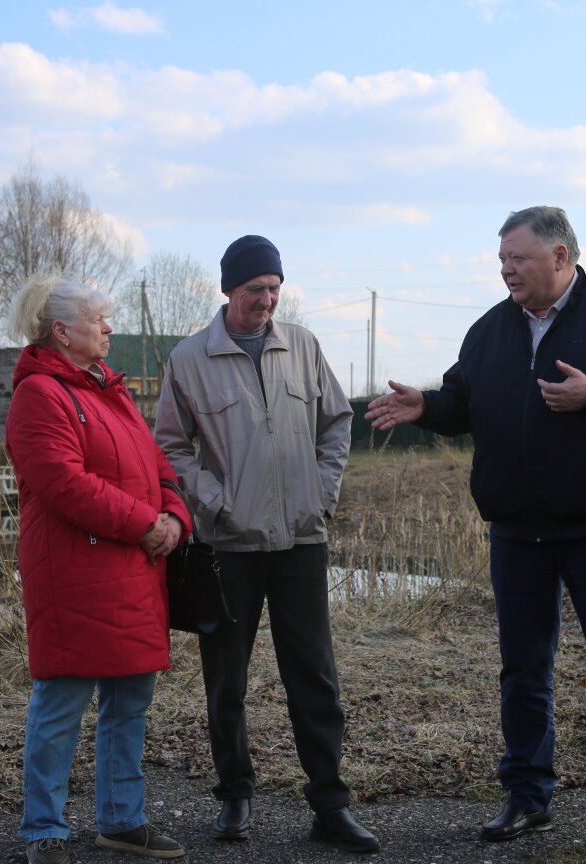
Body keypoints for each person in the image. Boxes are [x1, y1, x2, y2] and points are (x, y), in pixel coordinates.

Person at [366, 206, 586, 855]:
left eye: (518, 258)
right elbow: (465, 402)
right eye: (503, 260)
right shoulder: (490, 330)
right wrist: (426, 407)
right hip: (517, 530)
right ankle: (526, 796)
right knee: (523, 670)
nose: (506, 269)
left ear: (561, 258)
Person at [154, 235, 378, 854]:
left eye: (275, 288)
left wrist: (323, 492)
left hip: (302, 540)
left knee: (315, 675)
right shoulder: (189, 359)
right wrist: (214, 502)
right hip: (228, 546)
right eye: (256, 289)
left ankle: (331, 804)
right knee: (226, 678)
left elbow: (336, 422)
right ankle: (234, 798)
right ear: (229, 290)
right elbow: (168, 449)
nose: (268, 300)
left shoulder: (301, 345)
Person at [5, 271, 191, 864]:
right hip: (74, 573)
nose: (109, 328)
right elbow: (63, 483)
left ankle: (121, 820)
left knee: (129, 702)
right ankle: (44, 829)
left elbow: (158, 462)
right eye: (98, 319)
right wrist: (146, 524)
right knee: (61, 705)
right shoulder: (40, 395)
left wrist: (176, 519)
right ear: (62, 331)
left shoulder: (108, 390)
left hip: (133, 570)